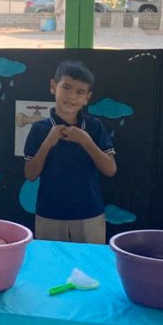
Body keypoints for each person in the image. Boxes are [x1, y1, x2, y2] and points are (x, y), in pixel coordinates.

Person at [24, 61, 117, 244]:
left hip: (89, 214)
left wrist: (86, 141)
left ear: (87, 98)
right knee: (52, 266)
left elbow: (110, 169)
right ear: (53, 87)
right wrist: (48, 143)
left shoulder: (94, 127)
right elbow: (30, 174)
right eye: (66, 88)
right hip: (50, 214)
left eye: (80, 92)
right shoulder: (39, 129)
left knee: (89, 267)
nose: (71, 96)